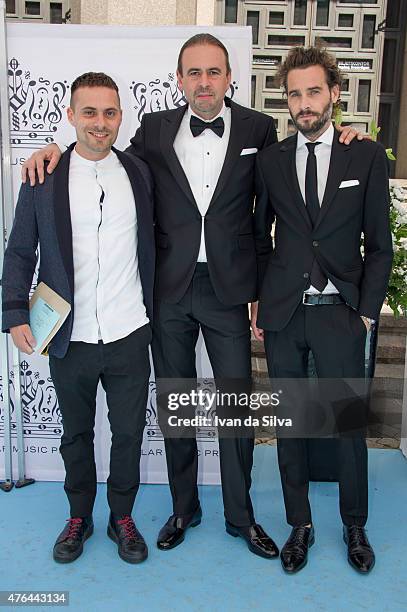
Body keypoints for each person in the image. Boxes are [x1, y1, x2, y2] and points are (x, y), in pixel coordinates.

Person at [21, 34, 361, 559]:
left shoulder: (258, 128)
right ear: (179, 80)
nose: (204, 83)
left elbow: (283, 194)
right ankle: (183, 509)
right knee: (176, 404)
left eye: (214, 72)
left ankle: (241, 517)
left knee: (234, 409)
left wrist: (346, 139)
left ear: (230, 79)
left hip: (230, 291)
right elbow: (96, 155)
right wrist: (52, 151)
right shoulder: (152, 132)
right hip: (167, 291)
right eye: (194, 73)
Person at [2, 73, 155, 565]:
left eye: (109, 112)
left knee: (129, 433)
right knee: (76, 435)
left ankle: (122, 517)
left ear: (120, 116)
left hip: (130, 329)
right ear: (70, 115)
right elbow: (20, 249)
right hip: (70, 336)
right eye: (89, 112)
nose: (100, 122)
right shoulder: (44, 176)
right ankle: (79, 515)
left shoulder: (139, 172)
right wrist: (13, 312)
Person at [252, 46, 393, 574]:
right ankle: (300, 525)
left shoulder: (367, 157)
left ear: (335, 93)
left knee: (346, 425)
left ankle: (354, 526)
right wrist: (263, 301)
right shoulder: (270, 161)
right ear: (286, 100)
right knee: (290, 424)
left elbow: (380, 246)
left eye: (314, 91)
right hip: (286, 313)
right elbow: (260, 237)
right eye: (294, 93)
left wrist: (366, 310)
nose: (304, 103)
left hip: (342, 311)